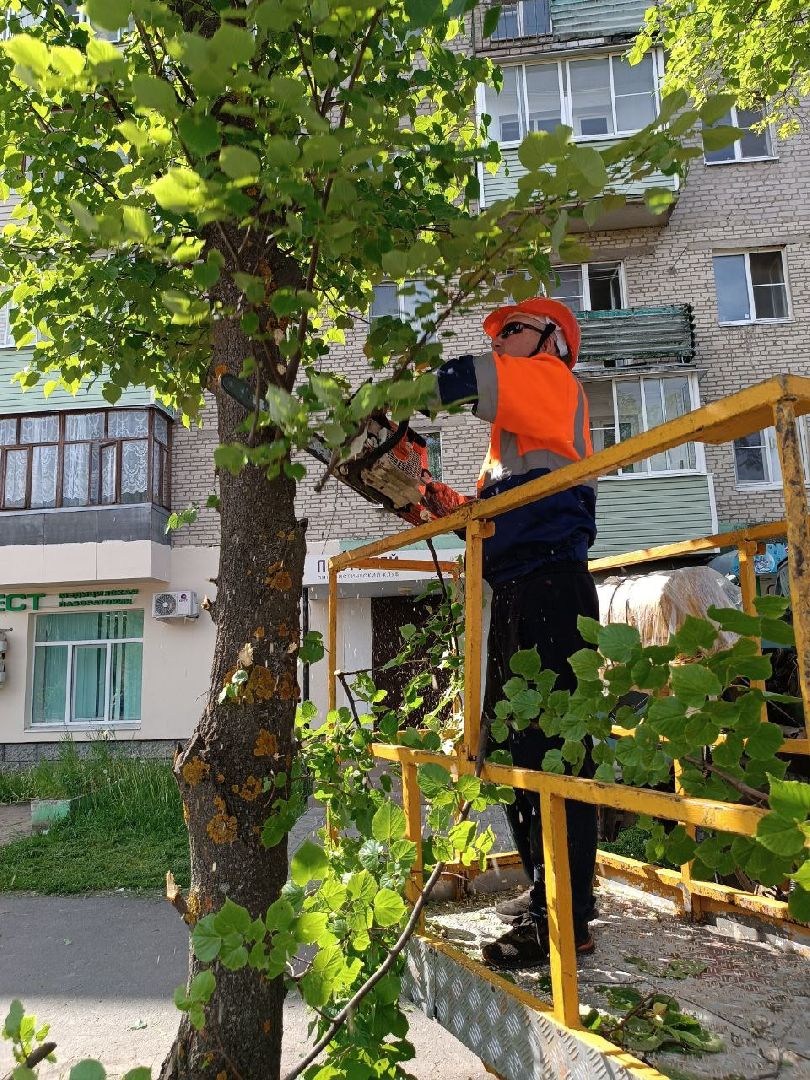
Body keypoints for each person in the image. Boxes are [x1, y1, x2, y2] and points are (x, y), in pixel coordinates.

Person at [433, 297, 599, 969]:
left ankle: (567, 920)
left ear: (554, 341)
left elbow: (463, 380)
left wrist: (393, 396)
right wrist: (450, 506)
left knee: (555, 753)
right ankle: (544, 894)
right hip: (520, 588)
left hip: (554, 582)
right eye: (498, 333)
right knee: (516, 750)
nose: (501, 341)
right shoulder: (512, 442)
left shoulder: (552, 384)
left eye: (514, 331)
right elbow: (495, 511)